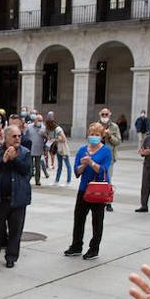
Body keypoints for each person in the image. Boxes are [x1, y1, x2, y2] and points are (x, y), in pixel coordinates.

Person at [0, 124, 32, 268]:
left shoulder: (25, 152)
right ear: (6, 137)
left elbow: (27, 171)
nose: (17, 139)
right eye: (14, 136)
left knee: (15, 230)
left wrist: (14, 159)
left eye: (19, 136)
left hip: (17, 198)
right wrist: (3, 161)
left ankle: (11, 257)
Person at [64, 123, 111, 260]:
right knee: (79, 218)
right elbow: (77, 172)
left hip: (98, 190)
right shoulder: (82, 150)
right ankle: (76, 246)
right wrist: (84, 164)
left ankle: (94, 249)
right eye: (92, 134)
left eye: (97, 135)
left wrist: (91, 162)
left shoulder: (106, 151)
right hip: (84, 189)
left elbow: (103, 170)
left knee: (97, 221)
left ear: (101, 136)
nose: (94, 137)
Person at [98, 108, 121, 210]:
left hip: (109, 156)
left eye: (106, 114)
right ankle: (98, 199)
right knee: (97, 179)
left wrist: (109, 136)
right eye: (102, 114)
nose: (104, 116)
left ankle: (108, 202)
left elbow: (118, 141)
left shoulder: (114, 127)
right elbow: (91, 138)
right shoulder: (96, 126)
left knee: (107, 179)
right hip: (97, 156)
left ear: (109, 115)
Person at [50, 121, 71, 185]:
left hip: (63, 150)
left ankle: (68, 181)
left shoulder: (58, 129)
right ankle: (57, 180)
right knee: (60, 165)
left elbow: (64, 139)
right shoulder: (56, 130)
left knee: (67, 165)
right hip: (59, 149)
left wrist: (56, 140)